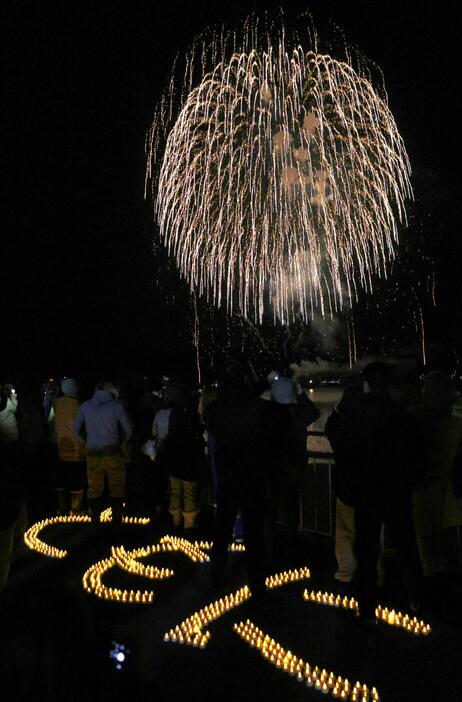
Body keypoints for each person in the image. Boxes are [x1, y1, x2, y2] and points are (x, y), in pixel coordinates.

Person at [345, 362, 425, 621]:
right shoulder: (401, 416)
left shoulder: (356, 416)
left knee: (366, 553)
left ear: (366, 384)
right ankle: (417, 600)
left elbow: (342, 445)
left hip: (366, 495)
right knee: (406, 546)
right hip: (397, 493)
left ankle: (366, 609)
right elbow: (417, 455)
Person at [208, 361, 273, 596]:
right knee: (254, 534)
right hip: (253, 478)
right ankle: (257, 583)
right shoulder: (259, 408)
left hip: (226, 477)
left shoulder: (215, 409)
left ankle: (217, 576)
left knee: (222, 530)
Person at [410, 370, 462, 576]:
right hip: (448, 492)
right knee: (445, 538)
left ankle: (431, 581)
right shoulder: (454, 420)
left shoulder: (418, 420)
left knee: (424, 541)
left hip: (422, 492)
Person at [265, 376, 320, 557]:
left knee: (270, 509)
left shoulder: (268, 414)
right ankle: (290, 547)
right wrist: (301, 394)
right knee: (291, 510)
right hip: (293, 470)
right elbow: (315, 413)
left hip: (272, 470)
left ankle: (269, 547)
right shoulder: (297, 414)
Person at [72, 381, 132, 524]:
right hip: (112, 450)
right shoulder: (116, 407)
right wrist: (122, 444)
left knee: (94, 486)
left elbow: (75, 429)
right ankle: (117, 520)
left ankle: (95, 519)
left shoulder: (86, 406)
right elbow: (129, 430)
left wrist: (85, 442)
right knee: (116, 486)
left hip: (93, 451)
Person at [154, 385, 204, 531]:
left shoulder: (174, 415)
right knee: (189, 492)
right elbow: (196, 434)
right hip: (188, 460)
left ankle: (176, 521)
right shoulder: (192, 417)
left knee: (175, 490)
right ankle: (189, 523)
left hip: (174, 458)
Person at [54, 378, 86, 515]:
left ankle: (62, 508)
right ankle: (75, 510)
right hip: (76, 449)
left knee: (62, 479)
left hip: (61, 446)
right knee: (76, 480)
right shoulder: (79, 406)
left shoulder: (57, 404)